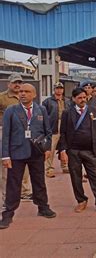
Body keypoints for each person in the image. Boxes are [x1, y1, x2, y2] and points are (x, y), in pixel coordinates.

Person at [0, 84, 56, 229]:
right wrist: (5, 156)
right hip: (16, 152)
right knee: (13, 183)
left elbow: (47, 131)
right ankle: (8, 213)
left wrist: (47, 148)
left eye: (27, 91)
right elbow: (5, 135)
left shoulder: (41, 110)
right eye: (21, 91)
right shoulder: (11, 111)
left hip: (37, 152)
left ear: (34, 94)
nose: (23, 94)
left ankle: (43, 207)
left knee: (39, 181)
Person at [58, 88, 96, 214]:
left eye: (84, 97)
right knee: (76, 177)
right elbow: (63, 133)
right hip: (73, 151)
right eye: (79, 98)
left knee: (95, 177)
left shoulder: (93, 111)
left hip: (90, 150)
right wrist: (63, 150)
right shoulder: (67, 113)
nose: (82, 100)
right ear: (74, 99)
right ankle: (81, 200)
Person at [0, 73, 32, 201]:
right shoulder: (2, 98)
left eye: (19, 82)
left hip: (23, 133)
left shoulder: (24, 97)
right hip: (5, 132)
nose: (17, 85)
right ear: (9, 84)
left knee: (24, 160)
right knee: (5, 165)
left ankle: (25, 191)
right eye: (15, 82)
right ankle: (5, 196)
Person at [42, 82, 70, 178]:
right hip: (53, 126)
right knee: (51, 148)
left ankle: (65, 166)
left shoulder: (67, 101)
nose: (59, 90)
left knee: (65, 147)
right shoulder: (48, 102)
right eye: (57, 88)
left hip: (65, 125)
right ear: (54, 90)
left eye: (61, 88)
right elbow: (43, 116)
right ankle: (48, 168)